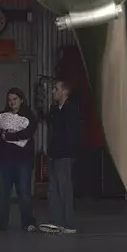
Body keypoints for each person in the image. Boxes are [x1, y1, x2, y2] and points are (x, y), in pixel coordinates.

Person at [0, 87, 38, 233]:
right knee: (3, 192)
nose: (12, 103)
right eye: (9, 100)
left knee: (23, 191)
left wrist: (7, 136)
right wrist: (10, 135)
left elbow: (27, 133)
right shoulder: (1, 115)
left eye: (15, 99)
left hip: (22, 160)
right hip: (3, 160)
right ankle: (0, 223)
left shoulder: (29, 117)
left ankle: (28, 222)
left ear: (21, 100)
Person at [41, 79, 81, 234]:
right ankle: (57, 221)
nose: (53, 91)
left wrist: (67, 152)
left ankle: (69, 223)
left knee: (64, 188)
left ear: (64, 91)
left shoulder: (70, 110)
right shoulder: (55, 110)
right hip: (54, 154)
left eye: (56, 89)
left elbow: (70, 134)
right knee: (53, 189)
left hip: (64, 155)